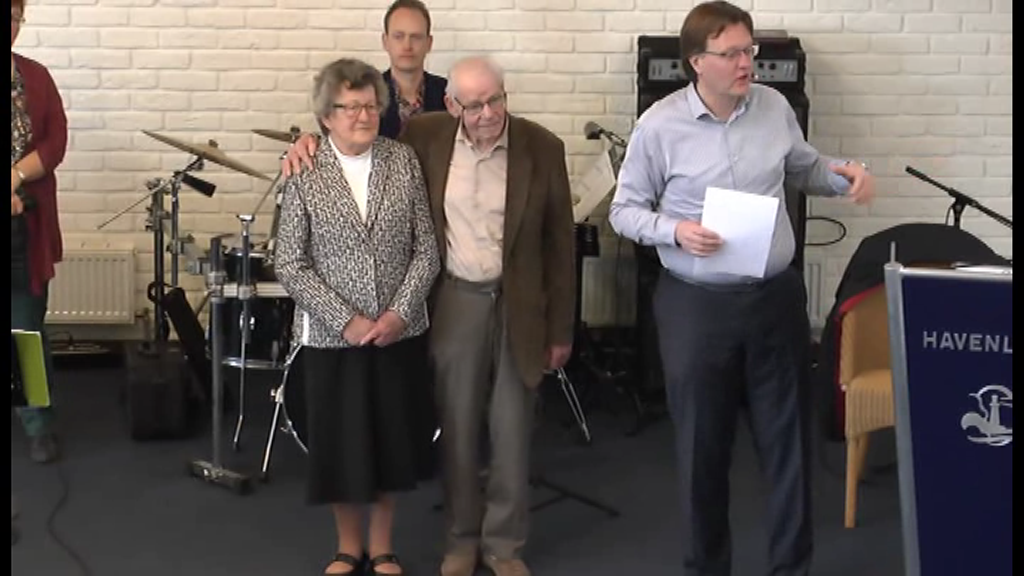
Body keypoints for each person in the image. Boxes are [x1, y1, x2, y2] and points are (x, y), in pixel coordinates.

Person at [608, 2, 875, 576]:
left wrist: (843, 173)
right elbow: (624, 210)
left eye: (748, 50)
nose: (745, 63)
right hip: (696, 307)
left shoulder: (774, 107)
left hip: (774, 300)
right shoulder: (659, 126)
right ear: (696, 62)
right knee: (703, 450)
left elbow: (802, 168)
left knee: (790, 447)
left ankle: (792, 567)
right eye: (731, 53)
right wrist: (674, 230)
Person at [284, 55, 576, 576]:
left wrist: (561, 328)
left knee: (512, 430)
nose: (487, 113)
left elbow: (560, 244)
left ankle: (504, 547)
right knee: (456, 430)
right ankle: (459, 543)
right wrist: (303, 142)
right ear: (451, 105)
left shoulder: (540, 146)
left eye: (496, 100)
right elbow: (345, 145)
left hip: (519, 304)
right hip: (455, 302)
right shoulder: (426, 138)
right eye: (474, 104)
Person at [274, 57, 440, 576]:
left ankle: (383, 545)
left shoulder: (402, 160)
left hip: (396, 332)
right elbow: (289, 262)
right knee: (340, 445)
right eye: (349, 107)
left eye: (369, 105)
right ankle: (348, 546)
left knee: (392, 439)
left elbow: (426, 250)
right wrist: (345, 320)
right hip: (331, 337)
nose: (362, 116)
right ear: (326, 116)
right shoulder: (304, 169)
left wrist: (399, 312)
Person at [11, 0, 68, 465]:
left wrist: (12, 179)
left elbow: (55, 142)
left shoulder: (36, 76)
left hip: (25, 224)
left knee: (25, 327)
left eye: (15, 16)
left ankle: (37, 423)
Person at [378, 0, 447, 138]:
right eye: (399, 37)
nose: (407, 46)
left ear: (429, 43)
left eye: (416, 37)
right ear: (385, 42)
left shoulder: (448, 93)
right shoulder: (369, 94)